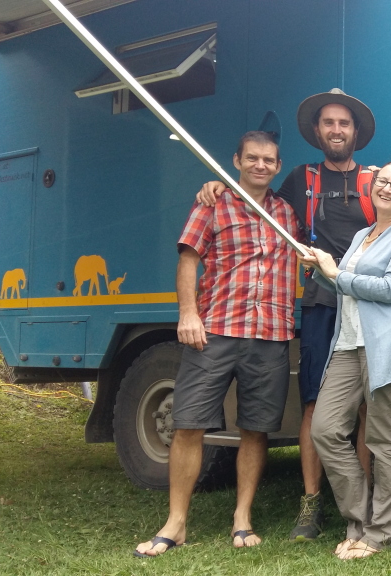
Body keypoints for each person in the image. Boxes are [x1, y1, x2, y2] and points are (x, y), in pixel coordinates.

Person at [195, 89, 391, 542]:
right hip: (327, 309)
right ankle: (314, 502)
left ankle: (372, 515)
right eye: (328, 123)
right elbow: (261, 205)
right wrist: (223, 187)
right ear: (317, 131)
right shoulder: (302, 179)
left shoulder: (377, 183)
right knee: (318, 411)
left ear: (356, 132)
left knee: (373, 418)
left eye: (344, 123)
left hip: (370, 311)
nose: (336, 130)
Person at [135, 131, 300, 557]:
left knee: (256, 429)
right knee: (189, 424)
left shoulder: (287, 213)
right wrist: (188, 314)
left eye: (268, 160)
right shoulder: (213, 203)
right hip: (216, 330)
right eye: (252, 158)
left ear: (278, 166)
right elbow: (188, 260)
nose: (260, 165)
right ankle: (176, 523)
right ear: (237, 161)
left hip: (271, 334)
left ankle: (242, 518)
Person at [300, 161, 391, 560]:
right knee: (325, 430)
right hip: (347, 343)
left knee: (383, 440)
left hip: (385, 345)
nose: (387, 188)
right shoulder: (362, 235)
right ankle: (359, 520)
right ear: (371, 188)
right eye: (382, 181)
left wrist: (336, 273)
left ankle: (381, 534)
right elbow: (347, 288)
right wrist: (320, 272)